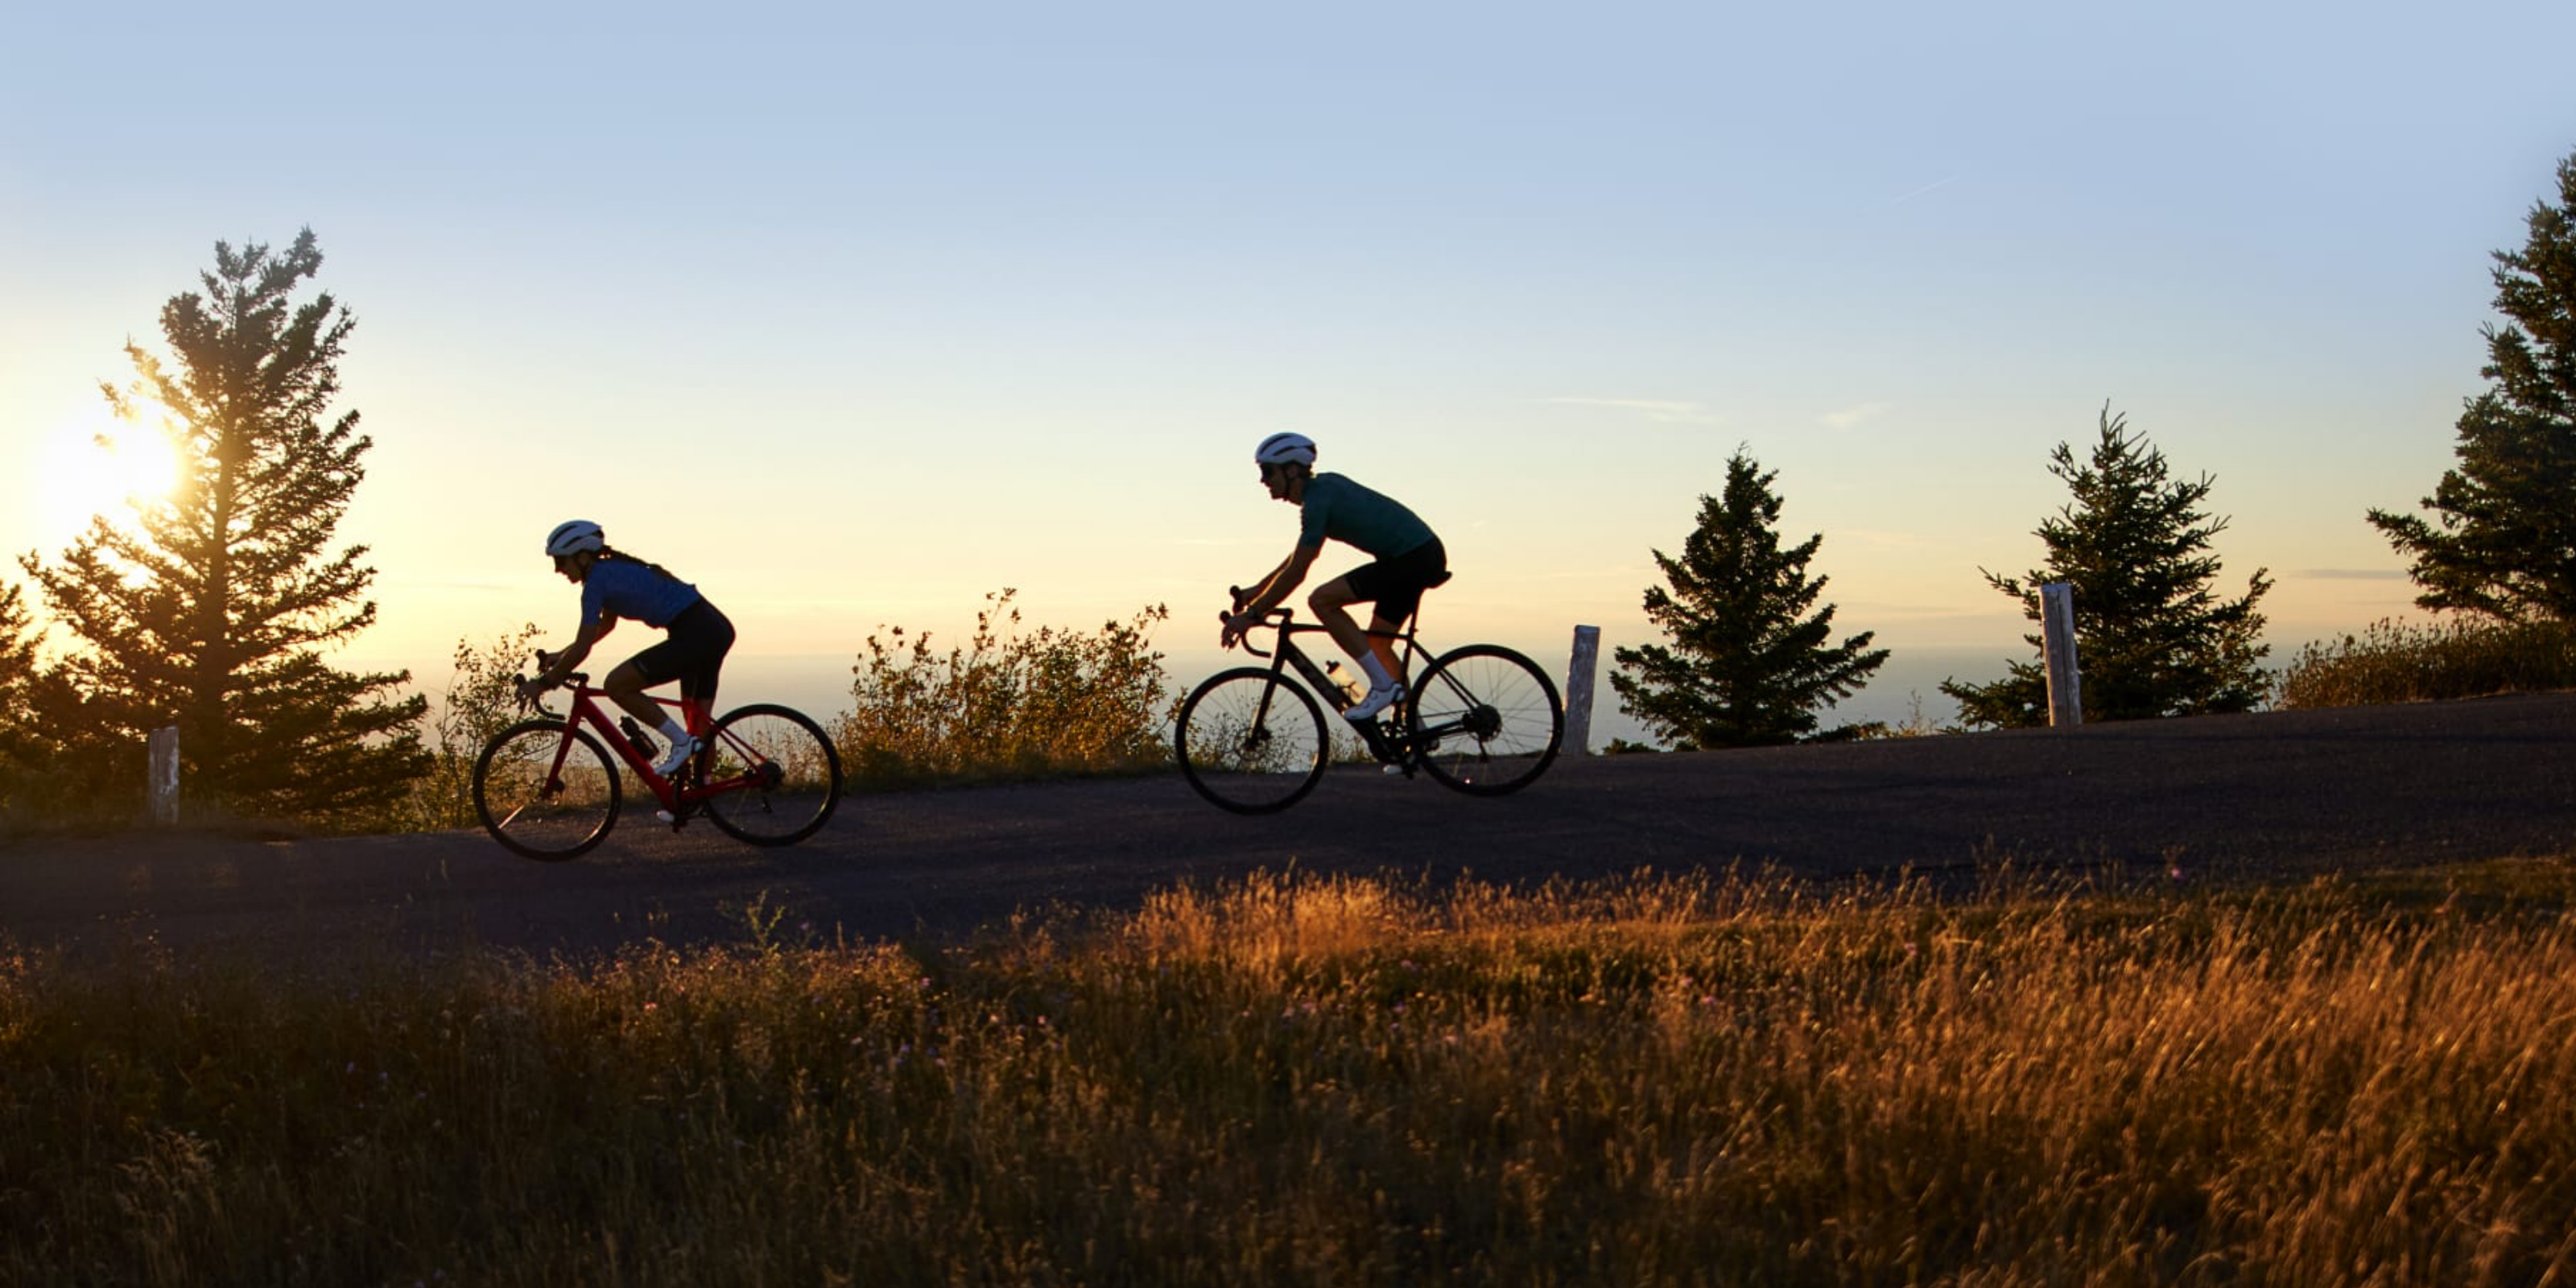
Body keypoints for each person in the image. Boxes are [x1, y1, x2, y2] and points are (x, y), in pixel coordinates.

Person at [1221, 432, 1447, 720]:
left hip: (1412, 559)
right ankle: (1415, 731)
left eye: (1268, 472)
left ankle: (1381, 688)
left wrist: (1252, 614)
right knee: (1377, 644)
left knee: (1322, 600)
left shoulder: (1318, 501)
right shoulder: (1321, 492)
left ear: (1292, 470)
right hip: (1418, 556)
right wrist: (1258, 589)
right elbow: (1295, 559)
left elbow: (1297, 573)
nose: (1263, 480)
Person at [515, 520, 737, 778]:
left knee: (617, 685)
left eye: (561, 562)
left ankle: (681, 744)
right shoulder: (607, 572)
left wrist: (544, 683)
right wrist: (560, 656)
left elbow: (584, 645)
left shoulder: (597, 582)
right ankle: (702, 793)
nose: (558, 570)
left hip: (697, 632)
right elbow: (602, 628)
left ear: (583, 556)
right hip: (709, 628)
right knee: (697, 722)